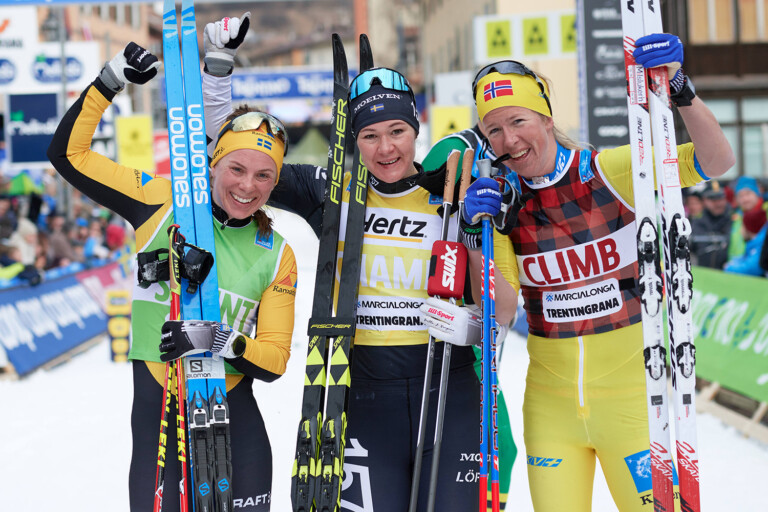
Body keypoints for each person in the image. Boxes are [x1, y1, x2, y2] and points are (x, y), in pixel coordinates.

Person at [201, 14, 492, 510]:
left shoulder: (450, 192)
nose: (386, 148)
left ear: (416, 128)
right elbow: (237, 154)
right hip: (363, 395)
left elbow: (499, 304)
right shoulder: (332, 192)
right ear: (353, 139)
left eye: (397, 130)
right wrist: (218, 69)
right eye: (370, 135)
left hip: (449, 390)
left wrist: (472, 315)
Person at [455, 33, 735, 511]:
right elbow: (500, 309)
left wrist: (679, 88)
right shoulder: (503, 206)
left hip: (634, 402)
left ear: (546, 118)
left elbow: (716, 162)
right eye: (493, 129)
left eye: (518, 121)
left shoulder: (610, 171)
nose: (509, 140)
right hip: (551, 409)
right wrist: (473, 233)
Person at [47, 42, 297, 512]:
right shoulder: (160, 204)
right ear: (213, 163)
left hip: (238, 439)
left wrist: (218, 339)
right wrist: (108, 83)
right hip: (161, 433)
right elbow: (68, 155)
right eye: (237, 168)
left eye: (264, 176)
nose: (248, 186)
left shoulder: (277, 253)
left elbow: (275, 361)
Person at [690, 180, 732, 269]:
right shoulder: (698, 220)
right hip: (705, 272)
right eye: (713, 200)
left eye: (720, 199)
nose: (718, 203)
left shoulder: (733, 218)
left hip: (730, 272)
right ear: (704, 200)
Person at [724, 205, 767, 276]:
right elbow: (745, 258)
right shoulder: (755, 243)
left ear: (748, 228)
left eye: (742, 226)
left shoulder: (761, 245)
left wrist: (729, 267)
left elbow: (753, 268)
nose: (740, 230)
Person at [728, 175, 764, 259]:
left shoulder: (765, 213)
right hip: (737, 265)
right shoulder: (736, 218)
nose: (745, 199)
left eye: (748, 193)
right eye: (740, 195)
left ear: (757, 194)